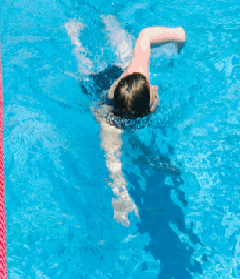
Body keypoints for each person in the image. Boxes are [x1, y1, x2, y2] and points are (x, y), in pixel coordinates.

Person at [66, 17, 186, 225]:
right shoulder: (111, 125)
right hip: (101, 92)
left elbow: (145, 35)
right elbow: (113, 163)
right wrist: (122, 199)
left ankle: (109, 21)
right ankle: (74, 35)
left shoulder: (139, 74)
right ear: (142, 110)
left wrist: (178, 35)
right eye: (152, 93)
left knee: (125, 59)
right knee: (86, 71)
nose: (155, 88)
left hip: (124, 84)